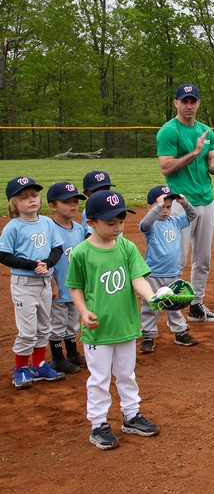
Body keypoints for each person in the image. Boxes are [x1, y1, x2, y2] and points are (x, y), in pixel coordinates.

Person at [66, 190, 161, 450]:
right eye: (111, 223)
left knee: (126, 374)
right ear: (91, 222)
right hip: (98, 330)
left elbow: (137, 279)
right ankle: (98, 424)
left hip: (126, 325)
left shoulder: (127, 247)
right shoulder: (82, 253)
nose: (118, 228)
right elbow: (75, 287)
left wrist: (152, 298)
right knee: (99, 378)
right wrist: (83, 312)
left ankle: (131, 415)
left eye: (121, 221)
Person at [157, 83, 214, 322]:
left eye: (193, 101)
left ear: (198, 104)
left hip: (206, 200)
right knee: (178, 259)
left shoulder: (206, 131)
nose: (189, 106)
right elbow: (166, 166)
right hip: (180, 203)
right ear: (176, 103)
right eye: (184, 101)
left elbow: (212, 166)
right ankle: (175, 312)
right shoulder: (168, 131)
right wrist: (194, 153)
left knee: (203, 258)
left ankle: (196, 305)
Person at [1, 177, 66, 389]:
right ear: (14, 203)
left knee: (44, 326)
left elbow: (57, 248)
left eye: (35, 195)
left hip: (45, 282)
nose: (32, 200)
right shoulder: (13, 227)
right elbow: (3, 255)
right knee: (28, 329)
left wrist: (47, 263)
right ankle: (20, 369)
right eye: (24, 197)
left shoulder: (47, 222)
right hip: (24, 284)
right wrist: (32, 265)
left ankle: (38, 365)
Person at [139, 185, 199, 351]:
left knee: (174, 305)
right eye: (161, 207)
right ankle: (148, 336)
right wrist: (156, 207)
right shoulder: (150, 226)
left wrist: (185, 203)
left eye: (168, 207)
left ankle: (179, 332)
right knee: (151, 306)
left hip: (173, 273)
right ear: (150, 208)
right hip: (153, 274)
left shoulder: (175, 221)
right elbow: (145, 222)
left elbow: (192, 215)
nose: (165, 210)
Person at [46, 182, 89, 373]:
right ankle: (57, 358)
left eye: (75, 202)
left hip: (75, 286)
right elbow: (46, 259)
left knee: (72, 322)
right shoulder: (49, 229)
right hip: (58, 286)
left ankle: (72, 353)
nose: (73, 205)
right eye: (66, 202)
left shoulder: (80, 229)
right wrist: (52, 282)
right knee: (57, 324)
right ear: (52, 206)